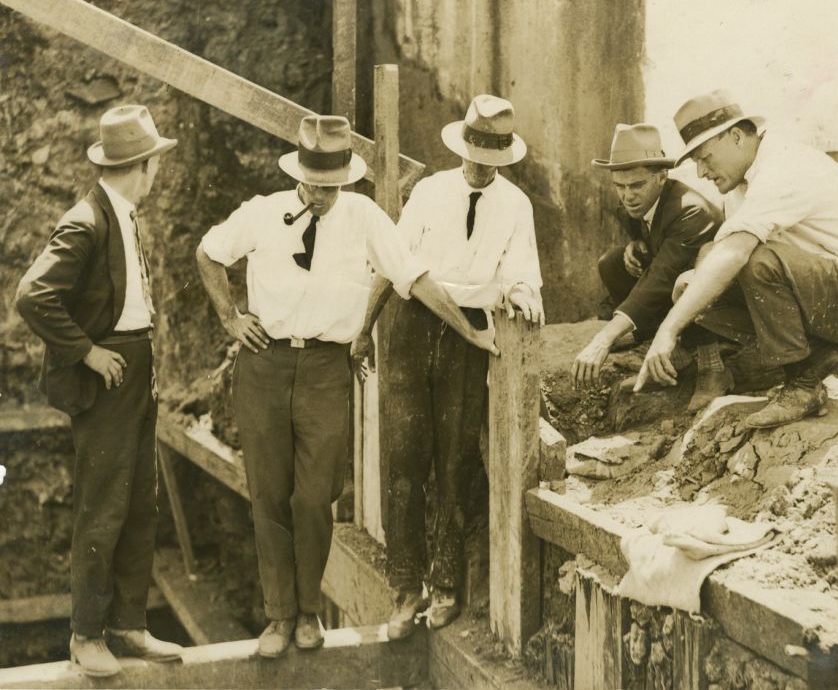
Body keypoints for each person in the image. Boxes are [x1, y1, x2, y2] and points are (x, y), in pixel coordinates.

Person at [195, 114, 496, 658]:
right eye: (314, 186)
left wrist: (470, 332)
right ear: (298, 177)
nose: (322, 197)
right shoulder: (262, 213)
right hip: (263, 365)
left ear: (346, 181)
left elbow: (414, 276)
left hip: (326, 371)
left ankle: (309, 611)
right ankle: (278, 617)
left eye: (332, 188)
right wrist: (230, 317)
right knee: (268, 493)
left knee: (314, 496)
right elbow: (208, 253)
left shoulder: (364, 216)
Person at [351, 94, 544, 640]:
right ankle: (405, 587)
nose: (480, 167)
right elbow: (392, 264)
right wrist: (366, 330)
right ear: (462, 147)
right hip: (412, 325)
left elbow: (521, 270)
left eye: (492, 159)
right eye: (474, 154)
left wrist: (525, 293)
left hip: (471, 336)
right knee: (404, 459)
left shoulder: (517, 206)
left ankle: (446, 584)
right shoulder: (430, 192)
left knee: (455, 462)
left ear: (504, 160)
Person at [16, 105, 183, 677]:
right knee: (103, 504)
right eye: (154, 164)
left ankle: (128, 625)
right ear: (141, 167)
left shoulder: (124, 214)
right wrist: (87, 351)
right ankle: (86, 634)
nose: (157, 173)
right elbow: (33, 296)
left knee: (140, 500)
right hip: (106, 373)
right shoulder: (85, 222)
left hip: (136, 366)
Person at [635, 89, 838, 428]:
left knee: (753, 260)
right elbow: (717, 253)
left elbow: (737, 252)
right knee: (690, 287)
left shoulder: (782, 166)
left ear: (735, 136)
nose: (702, 172)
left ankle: (803, 386)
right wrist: (690, 297)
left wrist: (668, 330)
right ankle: (819, 358)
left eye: (706, 158)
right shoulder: (739, 184)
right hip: (828, 293)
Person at [572, 123, 728, 412]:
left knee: (687, 281)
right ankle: (662, 352)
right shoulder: (635, 204)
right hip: (672, 275)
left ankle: (712, 367)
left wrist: (604, 338)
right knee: (613, 262)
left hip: (721, 301)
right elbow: (650, 236)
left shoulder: (690, 210)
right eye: (620, 187)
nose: (627, 195)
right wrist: (635, 243)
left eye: (636, 186)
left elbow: (660, 279)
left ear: (662, 176)